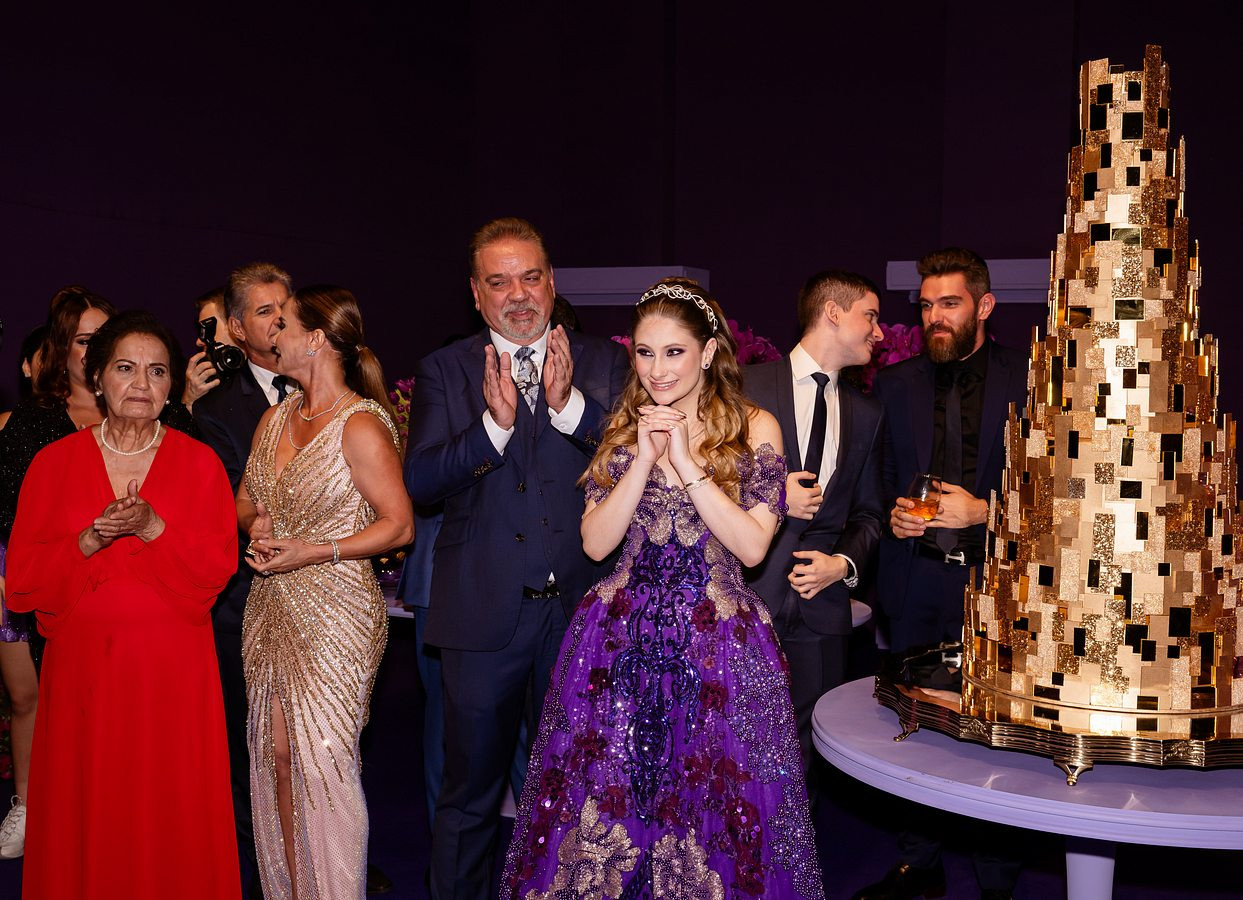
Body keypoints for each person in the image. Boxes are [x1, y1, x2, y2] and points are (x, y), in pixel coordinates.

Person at [501, 278, 824, 899]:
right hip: (617, 648)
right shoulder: (623, 430)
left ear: (708, 352)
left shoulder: (755, 427)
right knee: (611, 805)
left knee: (714, 813)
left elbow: (753, 548)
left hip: (718, 651)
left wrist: (685, 461)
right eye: (645, 353)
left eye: (674, 352)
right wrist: (645, 459)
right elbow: (596, 544)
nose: (657, 369)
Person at [405, 217, 628, 899]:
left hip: (582, 616)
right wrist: (492, 427)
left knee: (580, 793)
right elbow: (422, 482)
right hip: (481, 619)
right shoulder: (445, 369)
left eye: (530, 277)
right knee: (469, 796)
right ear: (476, 294)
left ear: (552, 283)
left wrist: (570, 408)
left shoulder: (603, 362)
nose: (519, 295)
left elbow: (635, 465)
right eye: (499, 282)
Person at [5, 310, 241, 899]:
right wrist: (88, 540)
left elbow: (216, 572)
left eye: (157, 371)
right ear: (98, 377)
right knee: (89, 814)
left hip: (172, 679)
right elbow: (24, 585)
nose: (142, 383)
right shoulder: (53, 464)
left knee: (169, 813)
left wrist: (154, 527)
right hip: (83, 679)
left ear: (171, 384)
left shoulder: (200, 463)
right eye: (126, 368)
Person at [853, 248, 1028, 900]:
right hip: (915, 579)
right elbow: (879, 480)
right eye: (925, 305)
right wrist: (894, 515)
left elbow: (1060, 486)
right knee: (914, 727)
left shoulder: (1028, 377)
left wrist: (985, 511)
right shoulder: (895, 383)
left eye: (949, 303)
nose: (934, 317)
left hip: (994, 583)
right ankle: (918, 864)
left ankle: (996, 878)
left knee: (996, 733)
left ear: (984, 306)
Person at [238, 285, 413, 899]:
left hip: (337, 613)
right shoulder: (274, 418)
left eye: (281, 323)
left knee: (324, 765)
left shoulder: (359, 424)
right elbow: (245, 498)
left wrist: (314, 550)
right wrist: (255, 522)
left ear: (315, 339)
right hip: (270, 608)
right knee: (277, 761)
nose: (271, 334)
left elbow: (400, 525)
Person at [744, 270, 885, 773]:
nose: (879, 331)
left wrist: (841, 564)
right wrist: (769, 494)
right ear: (833, 313)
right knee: (735, 742)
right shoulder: (745, 386)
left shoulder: (867, 414)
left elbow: (869, 513)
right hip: (746, 597)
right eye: (870, 316)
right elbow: (704, 481)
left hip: (821, 612)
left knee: (810, 755)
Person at [192, 262, 293, 896]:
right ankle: (258, 875)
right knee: (250, 750)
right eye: (263, 310)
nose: (280, 318)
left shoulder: (327, 389)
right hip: (246, 601)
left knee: (323, 748)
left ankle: (323, 858)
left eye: (286, 305)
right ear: (235, 327)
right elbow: (231, 504)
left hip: (328, 602)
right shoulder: (217, 411)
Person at [0, 324, 48, 859]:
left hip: (65, 568)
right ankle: (27, 803)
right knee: (24, 696)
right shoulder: (9, 427)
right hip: (8, 570)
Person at [182, 285, 232, 412]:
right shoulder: (209, 386)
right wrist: (190, 400)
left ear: (236, 326)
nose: (199, 342)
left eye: (208, 329)